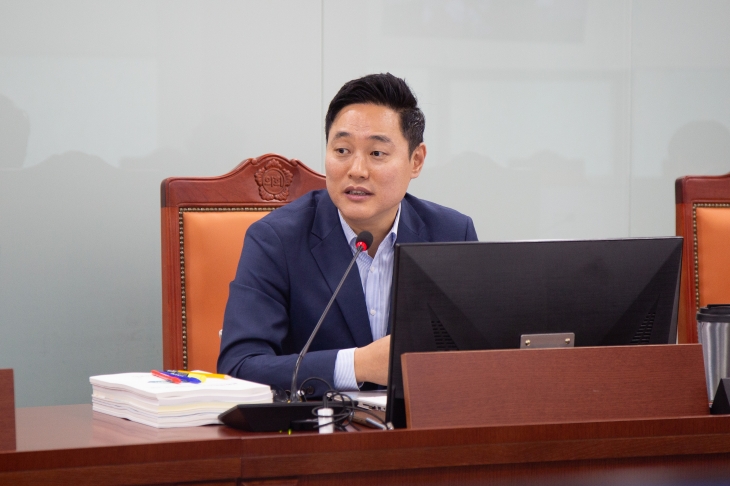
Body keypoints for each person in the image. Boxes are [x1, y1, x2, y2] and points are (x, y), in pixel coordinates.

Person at [217, 73, 478, 397]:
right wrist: (357, 365)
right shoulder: (276, 240)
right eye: (342, 150)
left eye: (376, 153)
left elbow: (476, 358)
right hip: (316, 426)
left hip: (418, 424)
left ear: (416, 160)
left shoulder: (451, 234)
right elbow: (239, 366)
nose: (356, 170)